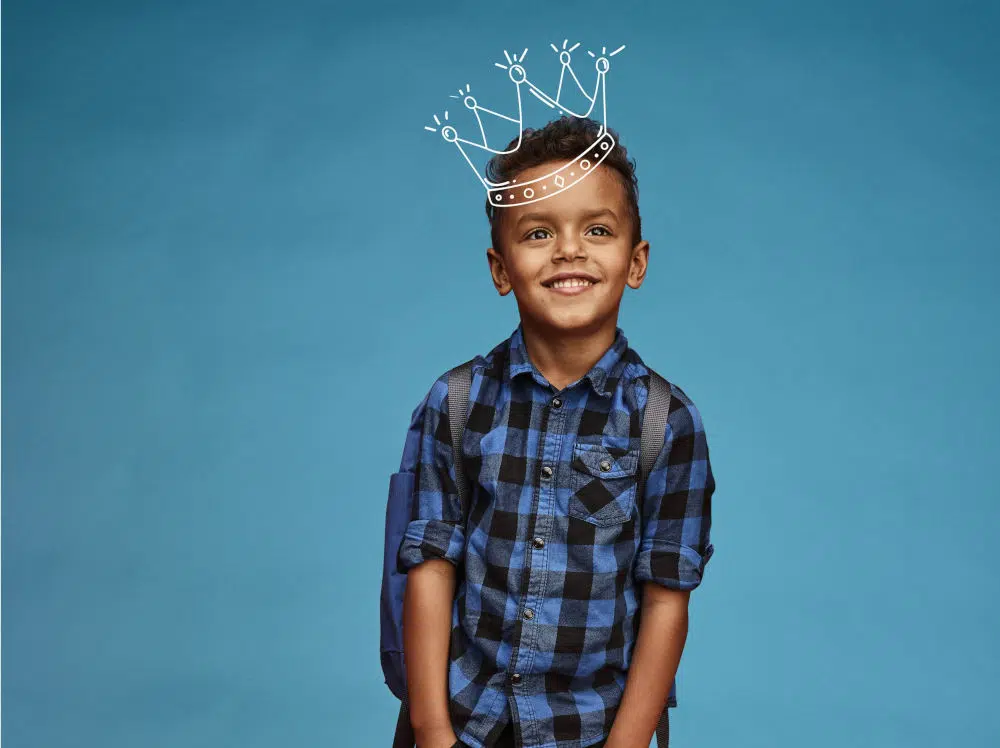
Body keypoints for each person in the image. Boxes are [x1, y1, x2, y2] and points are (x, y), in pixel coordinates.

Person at [396, 116, 715, 748]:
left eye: (597, 229)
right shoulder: (457, 401)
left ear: (635, 261)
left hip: (593, 729)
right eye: (539, 232)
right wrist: (432, 730)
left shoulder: (665, 422)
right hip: (465, 722)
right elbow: (431, 566)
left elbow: (666, 600)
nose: (569, 250)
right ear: (501, 268)